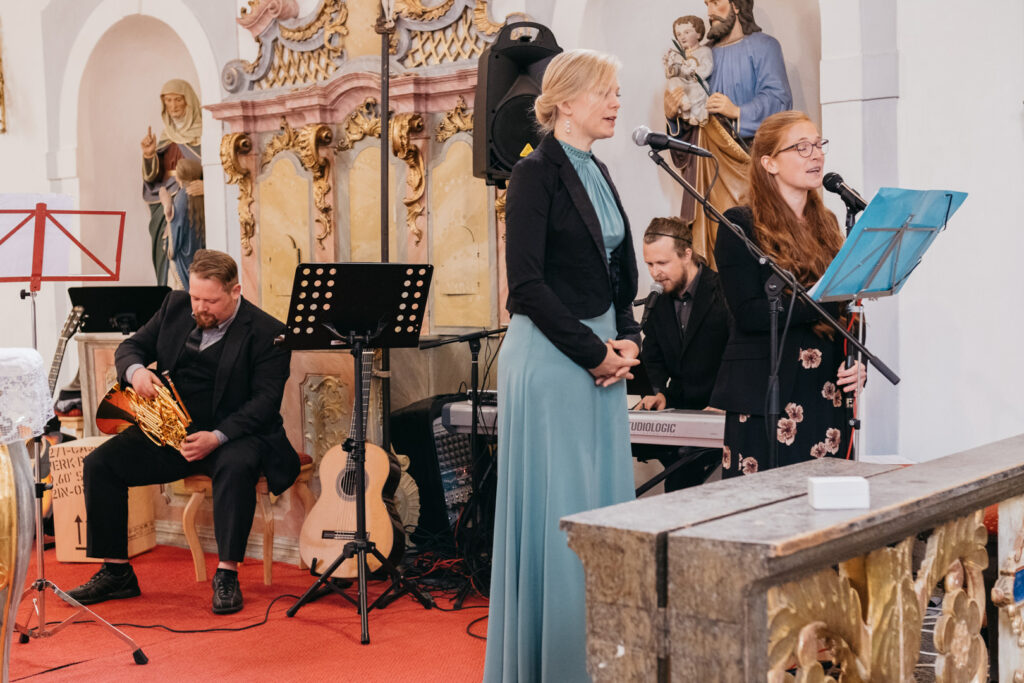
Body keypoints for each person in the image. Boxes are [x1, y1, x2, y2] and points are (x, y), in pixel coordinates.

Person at [484, 49, 640, 683]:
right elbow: (525, 285)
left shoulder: (598, 169)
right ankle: (558, 664)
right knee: (564, 510)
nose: (617, 102)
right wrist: (594, 352)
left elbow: (617, 272)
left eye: (617, 91)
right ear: (568, 101)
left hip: (600, 356)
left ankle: (602, 658)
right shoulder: (533, 173)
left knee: (605, 507)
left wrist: (628, 339)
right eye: (607, 91)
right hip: (552, 359)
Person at [67, 249, 299, 614]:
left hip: (234, 434)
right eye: (195, 298)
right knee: (101, 464)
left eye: (211, 301)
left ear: (235, 291)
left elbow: (264, 403)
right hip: (174, 431)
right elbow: (131, 347)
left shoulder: (269, 332)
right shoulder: (174, 306)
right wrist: (136, 373)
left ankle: (227, 574)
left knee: (236, 466)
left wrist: (216, 437)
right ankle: (116, 573)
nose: (200, 308)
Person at [710, 110, 865, 476]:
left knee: (825, 498)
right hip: (767, 391)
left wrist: (858, 362)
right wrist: (823, 298)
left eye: (818, 144)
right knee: (764, 503)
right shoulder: (740, 224)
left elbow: (847, 308)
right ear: (770, 163)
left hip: (825, 387)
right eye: (801, 147)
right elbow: (749, 313)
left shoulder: (827, 224)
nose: (816, 155)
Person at [634, 217, 731, 491]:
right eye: (649, 264)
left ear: (687, 254)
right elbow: (652, 355)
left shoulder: (724, 290)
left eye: (662, 263)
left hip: (720, 407)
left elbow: (737, 352)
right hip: (680, 410)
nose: (655, 273)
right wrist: (656, 392)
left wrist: (724, 400)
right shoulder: (657, 300)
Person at [704, 0, 793, 145]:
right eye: (707, 5)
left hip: (751, 150)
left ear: (736, 6)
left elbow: (778, 99)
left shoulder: (764, 46)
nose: (709, 12)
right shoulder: (704, 54)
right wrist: (674, 112)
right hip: (710, 148)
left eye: (715, 3)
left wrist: (737, 111)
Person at [142, 79, 203, 286]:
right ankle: (168, 291)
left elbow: (216, 171)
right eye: (168, 101)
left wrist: (207, 187)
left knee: (188, 251)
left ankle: (190, 291)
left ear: (188, 102)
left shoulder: (202, 133)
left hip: (192, 203)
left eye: (178, 100)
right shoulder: (166, 136)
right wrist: (149, 155)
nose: (173, 106)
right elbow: (152, 179)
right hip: (165, 200)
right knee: (165, 251)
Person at [160, 157, 206, 291]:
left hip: (182, 260)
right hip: (198, 256)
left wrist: (168, 208)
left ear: (180, 176)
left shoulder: (181, 197)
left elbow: (175, 239)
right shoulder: (201, 196)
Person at [663, 15, 713, 128]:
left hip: (697, 84)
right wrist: (669, 67)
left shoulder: (704, 51)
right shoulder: (678, 56)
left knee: (697, 91)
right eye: (679, 34)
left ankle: (694, 115)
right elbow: (675, 73)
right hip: (684, 86)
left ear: (698, 34)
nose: (682, 37)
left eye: (687, 32)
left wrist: (693, 71)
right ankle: (684, 104)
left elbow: (707, 68)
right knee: (672, 82)